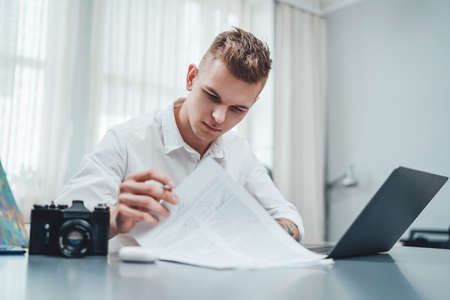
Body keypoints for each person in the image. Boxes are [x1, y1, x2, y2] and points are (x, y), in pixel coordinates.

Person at [56, 27, 304, 244]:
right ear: (191, 77)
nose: (219, 117)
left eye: (237, 109)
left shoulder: (239, 151)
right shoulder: (126, 141)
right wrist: (112, 219)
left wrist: (267, 234)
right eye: (212, 96)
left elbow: (288, 216)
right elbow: (59, 223)